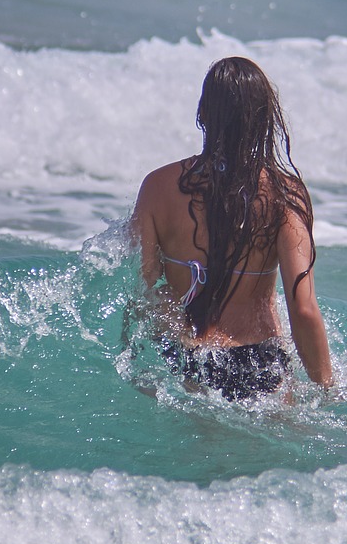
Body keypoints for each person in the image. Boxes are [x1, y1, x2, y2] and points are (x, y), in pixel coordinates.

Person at [130, 56, 333, 399]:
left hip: (183, 356)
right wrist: (330, 389)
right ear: (265, 120)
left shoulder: (156, 187)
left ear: (202, 114)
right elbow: (303, 308)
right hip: (258, 361)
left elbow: (142, 287)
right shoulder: (284, 195)